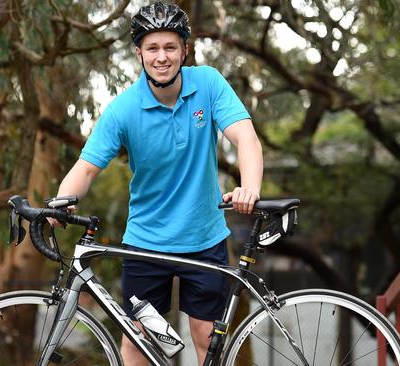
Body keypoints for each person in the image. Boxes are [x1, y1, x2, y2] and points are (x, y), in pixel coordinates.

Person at [52, 1, 262, 365]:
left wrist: (250, 187)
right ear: (139, 52)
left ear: (184, 49)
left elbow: (245, 138)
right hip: (145, 245)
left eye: (170, 47)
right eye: (152, 48)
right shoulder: (123, 109)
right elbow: (85, 169)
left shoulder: (208, 84)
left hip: (204, 238)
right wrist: (58, 204)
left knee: (206, 338)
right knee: (138, 343)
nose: (161, 57)